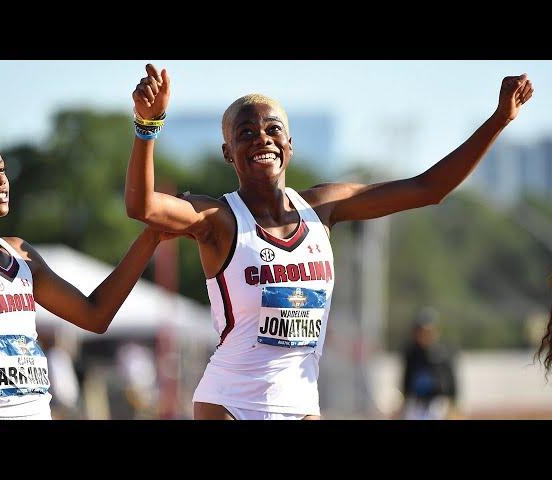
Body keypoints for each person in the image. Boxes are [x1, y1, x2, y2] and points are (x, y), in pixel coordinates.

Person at [125, 64, 533, 420]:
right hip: (229, 402)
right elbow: (142, 205)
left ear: (290, 146)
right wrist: (149, 126)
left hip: (302, 403)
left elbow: (429, 188)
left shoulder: (323, 208)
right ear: (228, 152)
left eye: (273, 130)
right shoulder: (218, 218)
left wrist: (499, 118)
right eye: (245, 133)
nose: (261, 139)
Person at [0, 135, 169, 420]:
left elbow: (95, 316)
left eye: (2, 169)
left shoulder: (20, 253)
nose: (0, 180)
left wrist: (151, 238)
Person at [400, 307, 458, 420]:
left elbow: (452, 381)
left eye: (429, 331)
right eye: (422, 332)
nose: (426, 335)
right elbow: (406, 379)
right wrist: (403, 402)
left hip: (438, 403)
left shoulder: (443, 352)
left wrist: (453, 404)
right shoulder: (411, 353)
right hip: (416, 402)